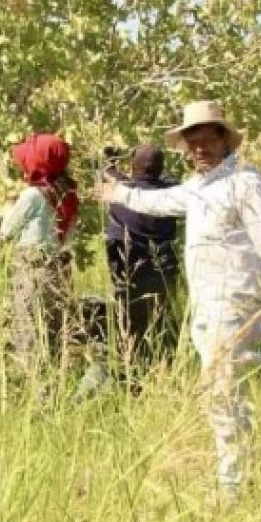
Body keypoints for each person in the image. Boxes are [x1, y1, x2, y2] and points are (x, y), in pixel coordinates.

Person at [93, 100, 261, 501]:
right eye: (193, 142)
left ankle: (232, 486)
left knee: (219, 391)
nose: (199, 148)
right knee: (226, 384)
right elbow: (159, 202)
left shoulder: (246, 183)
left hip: (235, 298)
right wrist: (117, 192)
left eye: (207, 140)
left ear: (224, 138)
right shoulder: (200, 187)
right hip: (206, 302)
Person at [0, 133, 80, 386]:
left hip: (31, 267)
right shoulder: (67, 194)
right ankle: (55, 386)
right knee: (53, 333)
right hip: (57, 268)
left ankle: (36, 391)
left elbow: (6, 231)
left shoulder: (32, 196)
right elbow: (68, 236)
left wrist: (6, 209)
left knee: (29, 332)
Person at [103, 144, 182, 377]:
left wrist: (111, 160)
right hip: (162, 266)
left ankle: (130, 369)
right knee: (161, 319)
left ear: (133, 167)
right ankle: (164, 368)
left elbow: (110, 175)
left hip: (130, 266)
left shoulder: (122, 194)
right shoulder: (171, 194)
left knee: (130, 321)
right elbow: (170, 180)